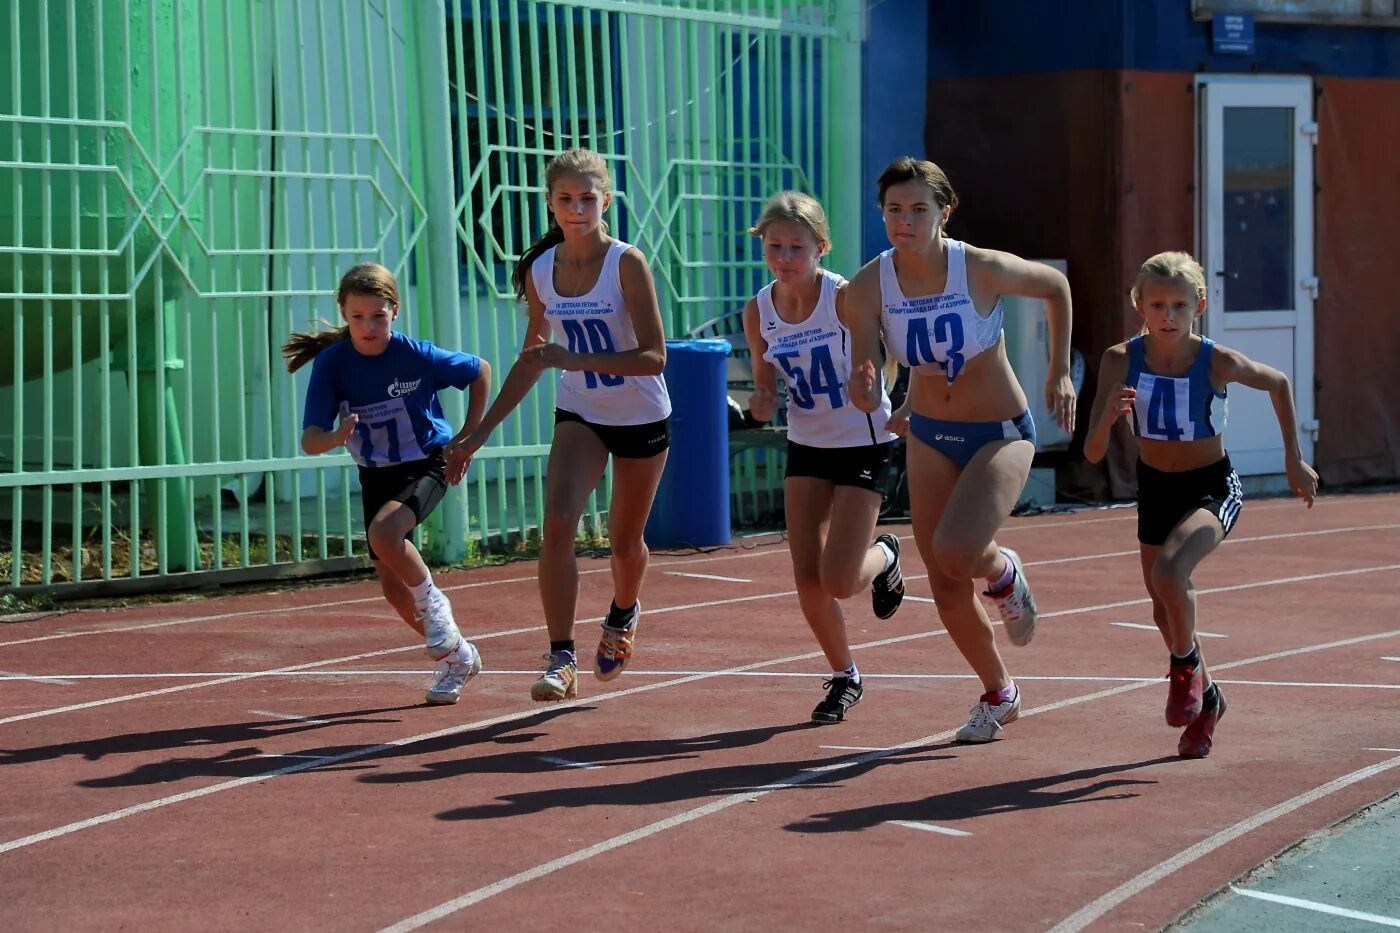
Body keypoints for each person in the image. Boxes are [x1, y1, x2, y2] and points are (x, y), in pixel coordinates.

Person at [845, 156, 1076, 743]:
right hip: (927, 432)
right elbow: (867, 358)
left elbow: (1056, 286)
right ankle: (1000, 694)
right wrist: (870, 385)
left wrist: (1059, 374)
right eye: (894, 210)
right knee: (945, 581)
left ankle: (1003, 572)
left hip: (998, 428)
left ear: (944, 213)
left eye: (919, 209)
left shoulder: (977, 267)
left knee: (957, 549)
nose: (905, 220)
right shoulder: (870, 284)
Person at [454, 148, 670, 703]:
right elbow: (534, 356)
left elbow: (653, 357)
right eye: (566, 199)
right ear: (550, 204)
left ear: (607, 201)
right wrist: (477, 434)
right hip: (581, 413)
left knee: (624, 543)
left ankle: (622, 615)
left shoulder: (627, 263)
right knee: (557, 524)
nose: (577, 209)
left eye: (587, 199)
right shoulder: (541, 272)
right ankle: (561, 657)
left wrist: (574, 360)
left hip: (641, 415)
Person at [1084, 250, 1318, 758]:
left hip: (1212, 487)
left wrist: (1294, 461)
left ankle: (1184, 669)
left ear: (1200, 306)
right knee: (1160, 609)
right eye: (1158, 305)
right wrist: (1107, 416)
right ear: (1139, 306)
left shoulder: (1215, 360)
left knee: (1170, 576)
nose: (1168, 316)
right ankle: (1208, 698)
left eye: (1179, 306)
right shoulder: (1120, 359)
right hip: (1155, 489)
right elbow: (1093, 451)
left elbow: (1277, 382)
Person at [283, 262, 490, 705]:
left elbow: (480, 372)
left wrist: (468, 440)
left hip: (428, 462)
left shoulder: (417, 355)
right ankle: (459, 655)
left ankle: (438, 609)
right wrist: (336, 436)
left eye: (378, 315)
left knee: (385, 533)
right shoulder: (333, 364)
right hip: (376, 473)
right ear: (343, 313)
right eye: (357, 317)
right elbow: (310, 440)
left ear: (394, 311)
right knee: (394, 591)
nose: (368, 326)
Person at [740, 191, 905, 724]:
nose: (785, 257)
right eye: (775, 246)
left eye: (796, 247)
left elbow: (880, 371)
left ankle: (886, 554)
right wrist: (761, 403)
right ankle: (845, 675)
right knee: (807, 578)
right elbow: (765, 397)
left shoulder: (844, 299)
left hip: (864, 441)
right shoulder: (758, 310)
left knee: (840, 579)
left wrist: (867, 385)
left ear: (821, 248)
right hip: (807, 444)